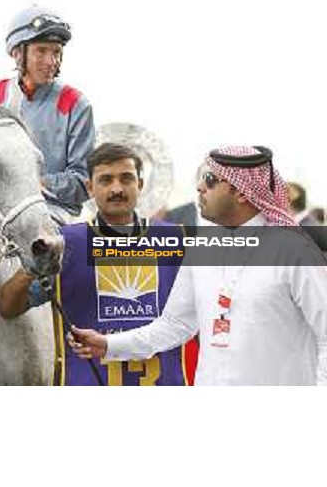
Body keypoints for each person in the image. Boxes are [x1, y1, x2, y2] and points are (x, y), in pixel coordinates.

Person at [70, 145, 327, 386]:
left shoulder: (295, 253)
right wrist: (108, 345)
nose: (200, 187)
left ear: (241, 191)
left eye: (211, 180)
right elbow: (175, 325)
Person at [0, 143, 192, 386]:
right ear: (90, 187)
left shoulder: (177, 240)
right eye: (106, 180)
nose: (117, 188)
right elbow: (8, 308)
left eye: (126, 178)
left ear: (140, 185)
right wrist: (29, 269)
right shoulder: (65, 244)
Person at [0, 4, 95, 221]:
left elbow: (84, 180)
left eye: (57, 52)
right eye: (41, 51)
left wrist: (37, 184)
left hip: (55, 214)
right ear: (16, 53)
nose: (51, 61)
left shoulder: (76, 104)